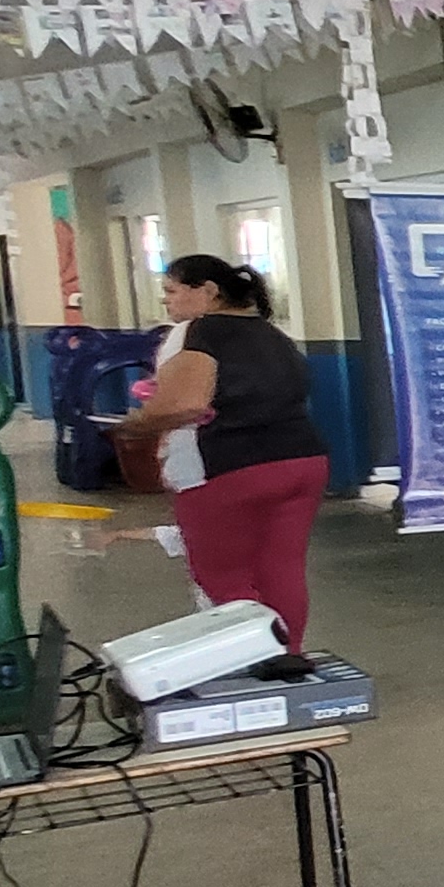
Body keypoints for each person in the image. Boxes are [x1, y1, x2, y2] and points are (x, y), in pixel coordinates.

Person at [106, 257, 325, 667]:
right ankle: (289, 654)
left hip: (228, 466)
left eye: (172, 291)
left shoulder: (196, 332)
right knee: (282, 565)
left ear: (207, 291)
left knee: (221, 572)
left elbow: (186, 404)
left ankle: (255, 655)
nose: (166, 301)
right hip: (302, 460)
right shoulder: (274, 334)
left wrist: (133, 426)